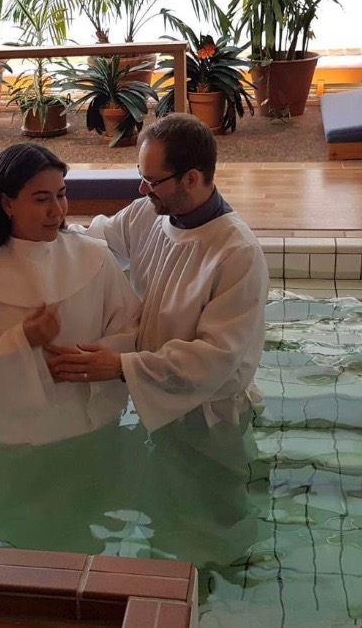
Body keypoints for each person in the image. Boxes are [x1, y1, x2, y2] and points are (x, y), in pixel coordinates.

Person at [46, 113, 270, 566]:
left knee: (215, 526)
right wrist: (9, 247)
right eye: (141, 176)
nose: (142, 189)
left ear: (192, 178)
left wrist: (121, 367)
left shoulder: (236, 253)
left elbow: (214, 358)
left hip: (211, 418)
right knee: (165, 513)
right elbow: (91, 244)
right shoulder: (148, 214)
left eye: (153, 181)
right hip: (156, 399)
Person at [0, 143, 140, 551]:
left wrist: (97, 359)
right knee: (18, 538)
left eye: (61, 194)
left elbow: (130, 325)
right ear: (7, 203)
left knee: (85, 531)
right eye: (41, 199)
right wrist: (22, 341)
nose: (57, 210)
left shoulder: (94, 257)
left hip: (90, 421)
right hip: (12, 437)